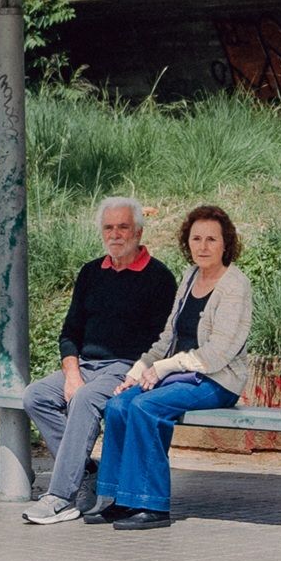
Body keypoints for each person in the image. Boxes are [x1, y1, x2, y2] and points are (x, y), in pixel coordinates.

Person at [84, 204, 252, 530]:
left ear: (226, 244)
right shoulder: (190, 277)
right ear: (186, 243)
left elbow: (217, 353)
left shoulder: (235, 285)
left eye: (211, 240)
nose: (203, 247)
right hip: (180, 374)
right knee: (119, 404)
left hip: (216, 379)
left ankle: (152, 505)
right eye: (196, 239)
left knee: (147, 407)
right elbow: (167, 337)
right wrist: (136, 372)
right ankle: (119, 499)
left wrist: (162, 369)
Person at [22, 197, 177, 525]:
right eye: (109, 227)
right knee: (35, 396)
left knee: (86, 398)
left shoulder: (159, 277)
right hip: (87, 366)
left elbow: (163, 341)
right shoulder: (91, 273)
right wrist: (71, 372)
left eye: (123, 227)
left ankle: (62, 496)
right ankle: (86, 471)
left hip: (126, 367)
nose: (115, 234)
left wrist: (139, 372)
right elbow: (70, 332)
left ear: (138, 231)